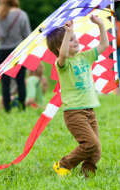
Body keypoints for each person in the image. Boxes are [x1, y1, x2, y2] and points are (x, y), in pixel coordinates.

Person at [46, 14, 108, 177]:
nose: (76, 41)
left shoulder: (85, 57)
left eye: (75, 38)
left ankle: (87, 175)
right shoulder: (62, 64)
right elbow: (63, 55)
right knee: (91, 144)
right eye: (71, 39)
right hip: (74, 113)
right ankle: (63, 165)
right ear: (60, 48)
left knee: (96, 150)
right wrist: (68, 32)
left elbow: (104, 44)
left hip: (89, 111)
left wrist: (100, 25)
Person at [0, 0, 32, 112]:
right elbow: (28, 35)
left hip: (3, 50)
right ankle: (22, 107)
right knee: (20, 80)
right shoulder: (22, 15)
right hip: (18, 50)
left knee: (5, 81)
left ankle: (7, 108)